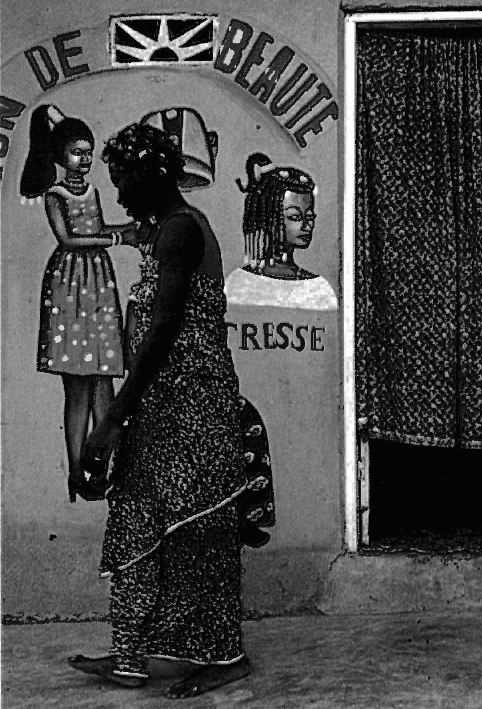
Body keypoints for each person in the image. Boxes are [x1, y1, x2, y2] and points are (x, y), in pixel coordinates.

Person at [67, 122, 252, 699]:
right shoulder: (162, 229)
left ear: (150, 176)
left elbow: (166, 326)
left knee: (196, 529)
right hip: (159, 408)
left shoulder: (180, 231)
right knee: (135, 518)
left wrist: (114, 415)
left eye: (121, 179)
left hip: (193, 408)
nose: (117, 194)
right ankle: (128, 655)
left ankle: (225, 658)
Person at [18, 104, 138, 503]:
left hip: (99, 282)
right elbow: (69, 239)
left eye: (88, 152)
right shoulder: (55, 194)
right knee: (79, 388)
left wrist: (127, 231)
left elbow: (99, 228)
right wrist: (117, 240)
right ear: (59, 155)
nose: (84, 160)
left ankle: (100, 468)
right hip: (71, 285)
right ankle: (75, 473)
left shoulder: (93, 190)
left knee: (104, 379)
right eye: (76, 152)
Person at [223, 153, 338, 310]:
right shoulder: (239, 283)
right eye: (295, 217)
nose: (307, 225)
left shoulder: (318, 289)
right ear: (268, 218)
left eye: (310, 217)